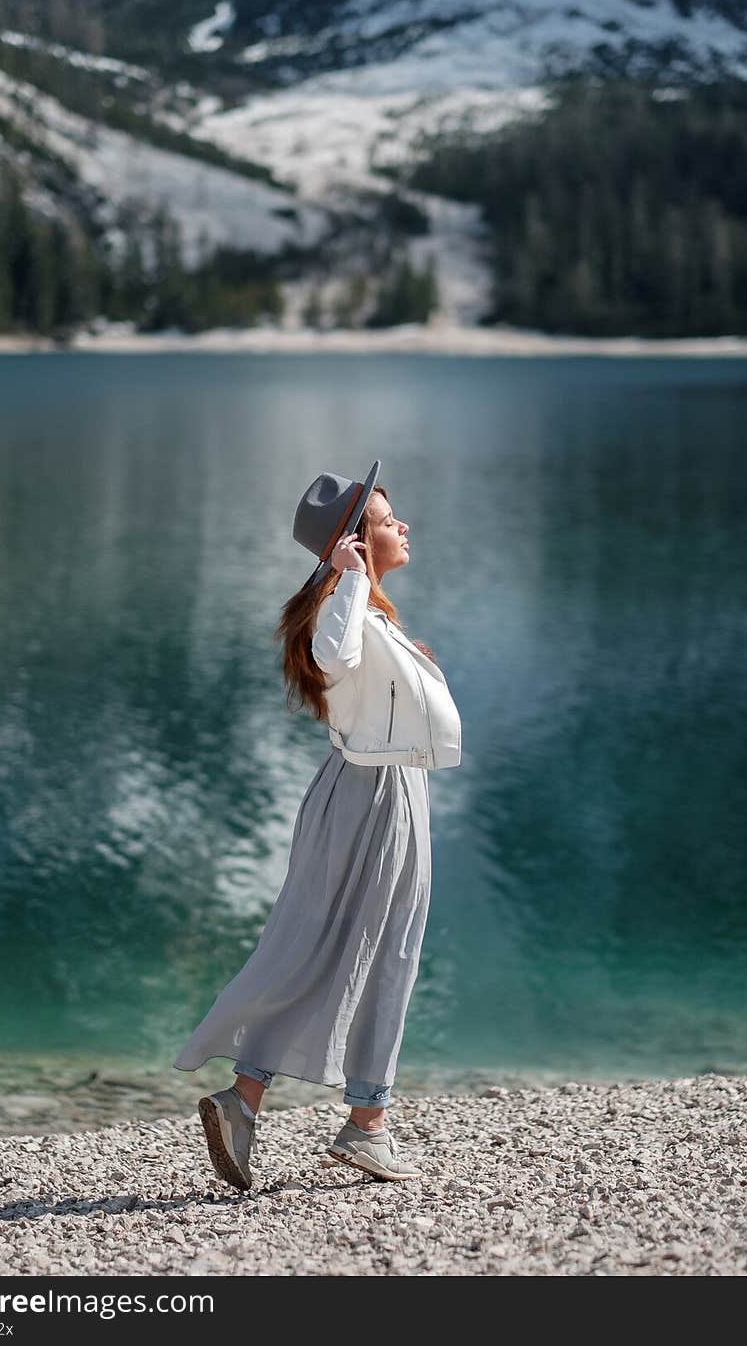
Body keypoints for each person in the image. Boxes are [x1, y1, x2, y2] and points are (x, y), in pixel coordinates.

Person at [172, 460, 462, 1188]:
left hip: (357, 789)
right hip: (377, 794)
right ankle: (366, 1125)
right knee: (386, 951)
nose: (403, 527)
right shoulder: (346, 607)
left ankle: (247, 1099)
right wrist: (352, 575)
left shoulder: (352, 607)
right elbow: (337, 652)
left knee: (321, 945)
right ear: (355, 544)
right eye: (388, 521)